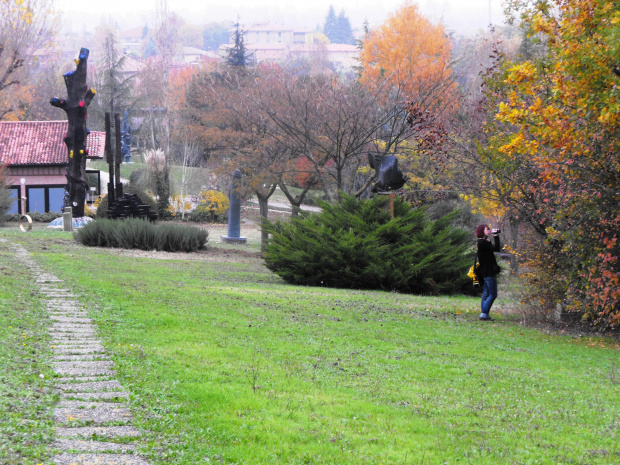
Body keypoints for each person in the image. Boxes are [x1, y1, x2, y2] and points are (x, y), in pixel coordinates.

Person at [476, 224, 501, 321]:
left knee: (486, 294)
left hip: (485, 271)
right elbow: (497, 248)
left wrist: (490, 241)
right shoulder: (483, 243)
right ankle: (484, 313)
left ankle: (484, 314)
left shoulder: (481, 242)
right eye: (487, 229)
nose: (489, 230)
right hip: (489, 272)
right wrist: (496, 236)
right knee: (493, 294)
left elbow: (490, 250)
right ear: (482, 231)